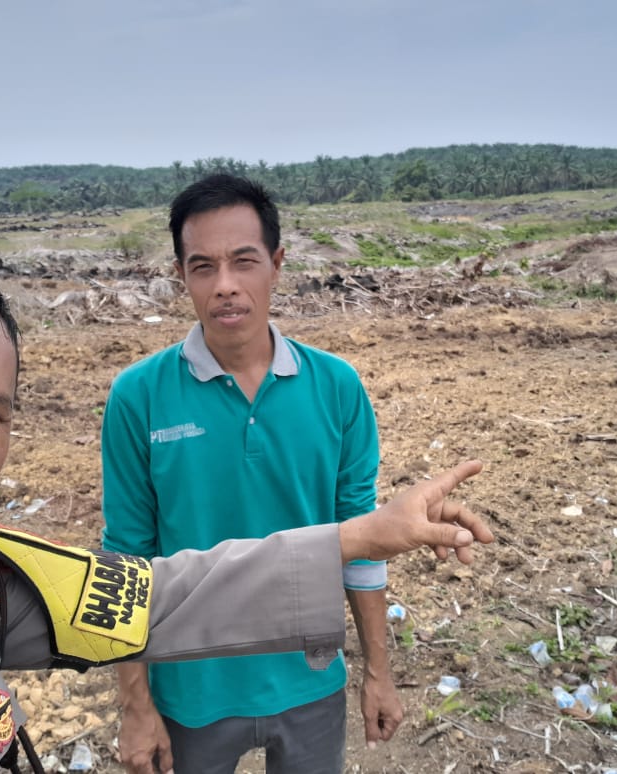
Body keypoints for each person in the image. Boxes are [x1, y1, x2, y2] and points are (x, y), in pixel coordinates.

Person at [0, 255, 494, 773]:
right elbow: (134, 537)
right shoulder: (141, 394)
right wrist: (140, 711)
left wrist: (366, 534)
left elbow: (158, 595)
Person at [100, 174, 402, 774]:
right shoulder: (139, 396)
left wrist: (377, 672)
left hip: (310, 680)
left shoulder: (336, 388)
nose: (226, 286)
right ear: (182, 276)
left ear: (277, 264)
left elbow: (360, 542)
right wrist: (135, 705)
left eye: (244, 261)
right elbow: (125, 559)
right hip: (190, 690)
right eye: (204, 266)